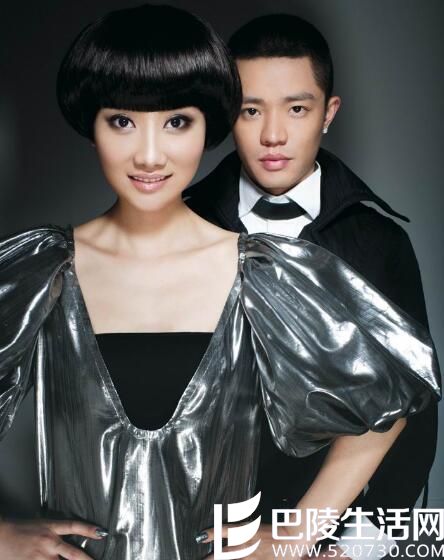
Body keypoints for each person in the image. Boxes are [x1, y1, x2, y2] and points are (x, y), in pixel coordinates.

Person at [0, 5, 440, 560]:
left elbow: (398, 406)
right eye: (122, 121)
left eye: (177, 122)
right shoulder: (44, 266)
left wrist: (310, 538)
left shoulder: (264, 267)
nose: (150, 154)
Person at [183, 13, 439, 556]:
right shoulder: (180, 228)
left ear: (329, 113)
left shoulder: (379, 244)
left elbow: (414, 415)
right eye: (250, 110)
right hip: (200, 535)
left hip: (333, 540)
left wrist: (358, 544)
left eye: (296, 109)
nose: (273, 135)